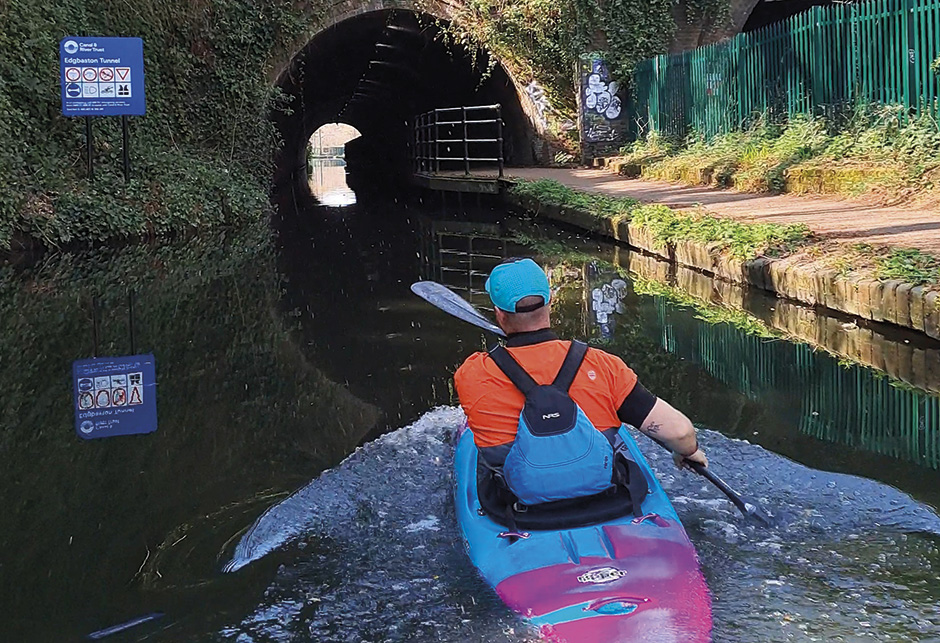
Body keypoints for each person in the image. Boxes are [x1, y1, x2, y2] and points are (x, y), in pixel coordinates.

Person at [454, 258, 708, 505]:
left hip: (517, 501)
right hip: (602, 495)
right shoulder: (601, 364)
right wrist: (688, 452)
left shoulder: (472, 373)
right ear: (550, 302)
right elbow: (680, 432)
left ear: (499, 313)